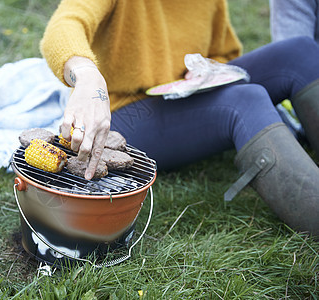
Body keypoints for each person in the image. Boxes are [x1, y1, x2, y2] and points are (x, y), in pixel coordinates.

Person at [39, 0, 319, 236]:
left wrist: (208, 69)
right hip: (127, 114)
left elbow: (222, 51)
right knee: (247, 99)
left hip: (186, 91)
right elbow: (64, 27)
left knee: (301, 51)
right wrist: (87, 75)